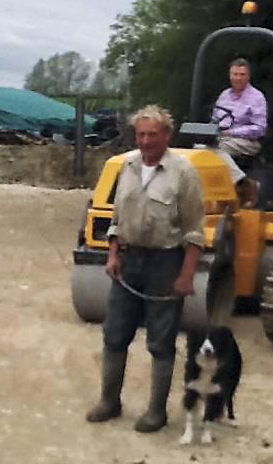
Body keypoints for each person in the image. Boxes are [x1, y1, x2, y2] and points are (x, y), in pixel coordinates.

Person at [86, 105, 205, 433]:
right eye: (141, 134)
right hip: (128, 260)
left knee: (161, 341)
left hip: (166, 264)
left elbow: (195, 230)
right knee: (114, 334)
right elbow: (116, 219)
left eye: (153, 134)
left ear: (168, 135)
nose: (147, 141)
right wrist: (113, 255)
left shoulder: (184, 173)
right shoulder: (128, 166)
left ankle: (156, 412)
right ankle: (109, 401)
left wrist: (185, 275)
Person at [212, 58, 267, 207]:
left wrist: (231, 132)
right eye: (235, 74)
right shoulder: (224, 96)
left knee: (217, 150)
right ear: (230, 75)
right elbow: (215, 119)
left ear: (248, 76)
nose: (238, 78)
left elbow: (259, 129)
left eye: (242, 74)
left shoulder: (256, 97)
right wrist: (211, 131)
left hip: (248, 141)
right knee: (198, 150)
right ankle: (214, 195)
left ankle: (244, 184)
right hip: (221, 137)